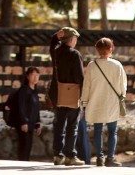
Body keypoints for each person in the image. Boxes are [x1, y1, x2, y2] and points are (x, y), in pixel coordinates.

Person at [82, 38, 127, 167]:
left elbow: (86, 86)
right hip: (112, 101)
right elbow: (122, 85)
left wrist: (84, 102)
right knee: (113, 131)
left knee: (97, 130)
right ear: (111, 48)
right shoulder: (117, 65)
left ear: (97, 49)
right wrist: (122, 96)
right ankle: (111, 158)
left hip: (96, 101)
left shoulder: (92, 65)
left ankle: (99, 158)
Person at [49, 26, 85, 166]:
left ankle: (57, 155)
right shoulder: (75, 54)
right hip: (72, 93)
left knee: (59, 125)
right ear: (71, 39)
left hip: (58, 93)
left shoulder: (56, 52)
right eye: (75, 38)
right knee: (72, 126)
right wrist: (84, 94)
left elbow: (52, 43)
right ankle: (70, 155)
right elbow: (79, 77)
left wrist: (55, 37)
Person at [14, 66, 42, 161]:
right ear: (27, 76)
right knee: (24, 146)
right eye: (33, 75)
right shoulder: (23, 90)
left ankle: (25, 166)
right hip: (24, 124)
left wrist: (38, 124)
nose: (35, 77)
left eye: (37, 75)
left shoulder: (35, 91)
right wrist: (23, 122)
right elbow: (21, 107)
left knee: (28, 146)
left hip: (32, 123)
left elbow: (36, 109)